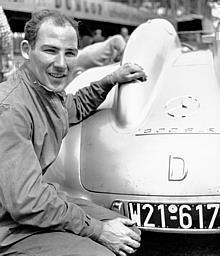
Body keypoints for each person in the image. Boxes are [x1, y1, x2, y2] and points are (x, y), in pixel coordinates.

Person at [0, 9, 146, 256]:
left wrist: (110, 80)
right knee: (103, 252)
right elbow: (26, 202)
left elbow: (74, 106)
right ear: (26, 50)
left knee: (128, 231)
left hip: (28, 205)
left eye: (69, 53)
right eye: (50, 50)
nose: (61, 64)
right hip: (8, 226)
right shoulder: (10, 108)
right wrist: (97, 230)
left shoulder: (44, 91)